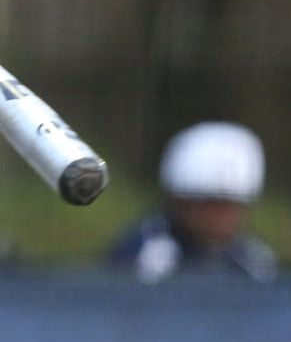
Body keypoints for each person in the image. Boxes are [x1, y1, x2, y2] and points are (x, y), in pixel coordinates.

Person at [109, 121, 277, 283]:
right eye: (210, 204)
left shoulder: (252, 262)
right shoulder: (144, 259)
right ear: (180, 201)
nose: (220, 218)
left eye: (230, 206)